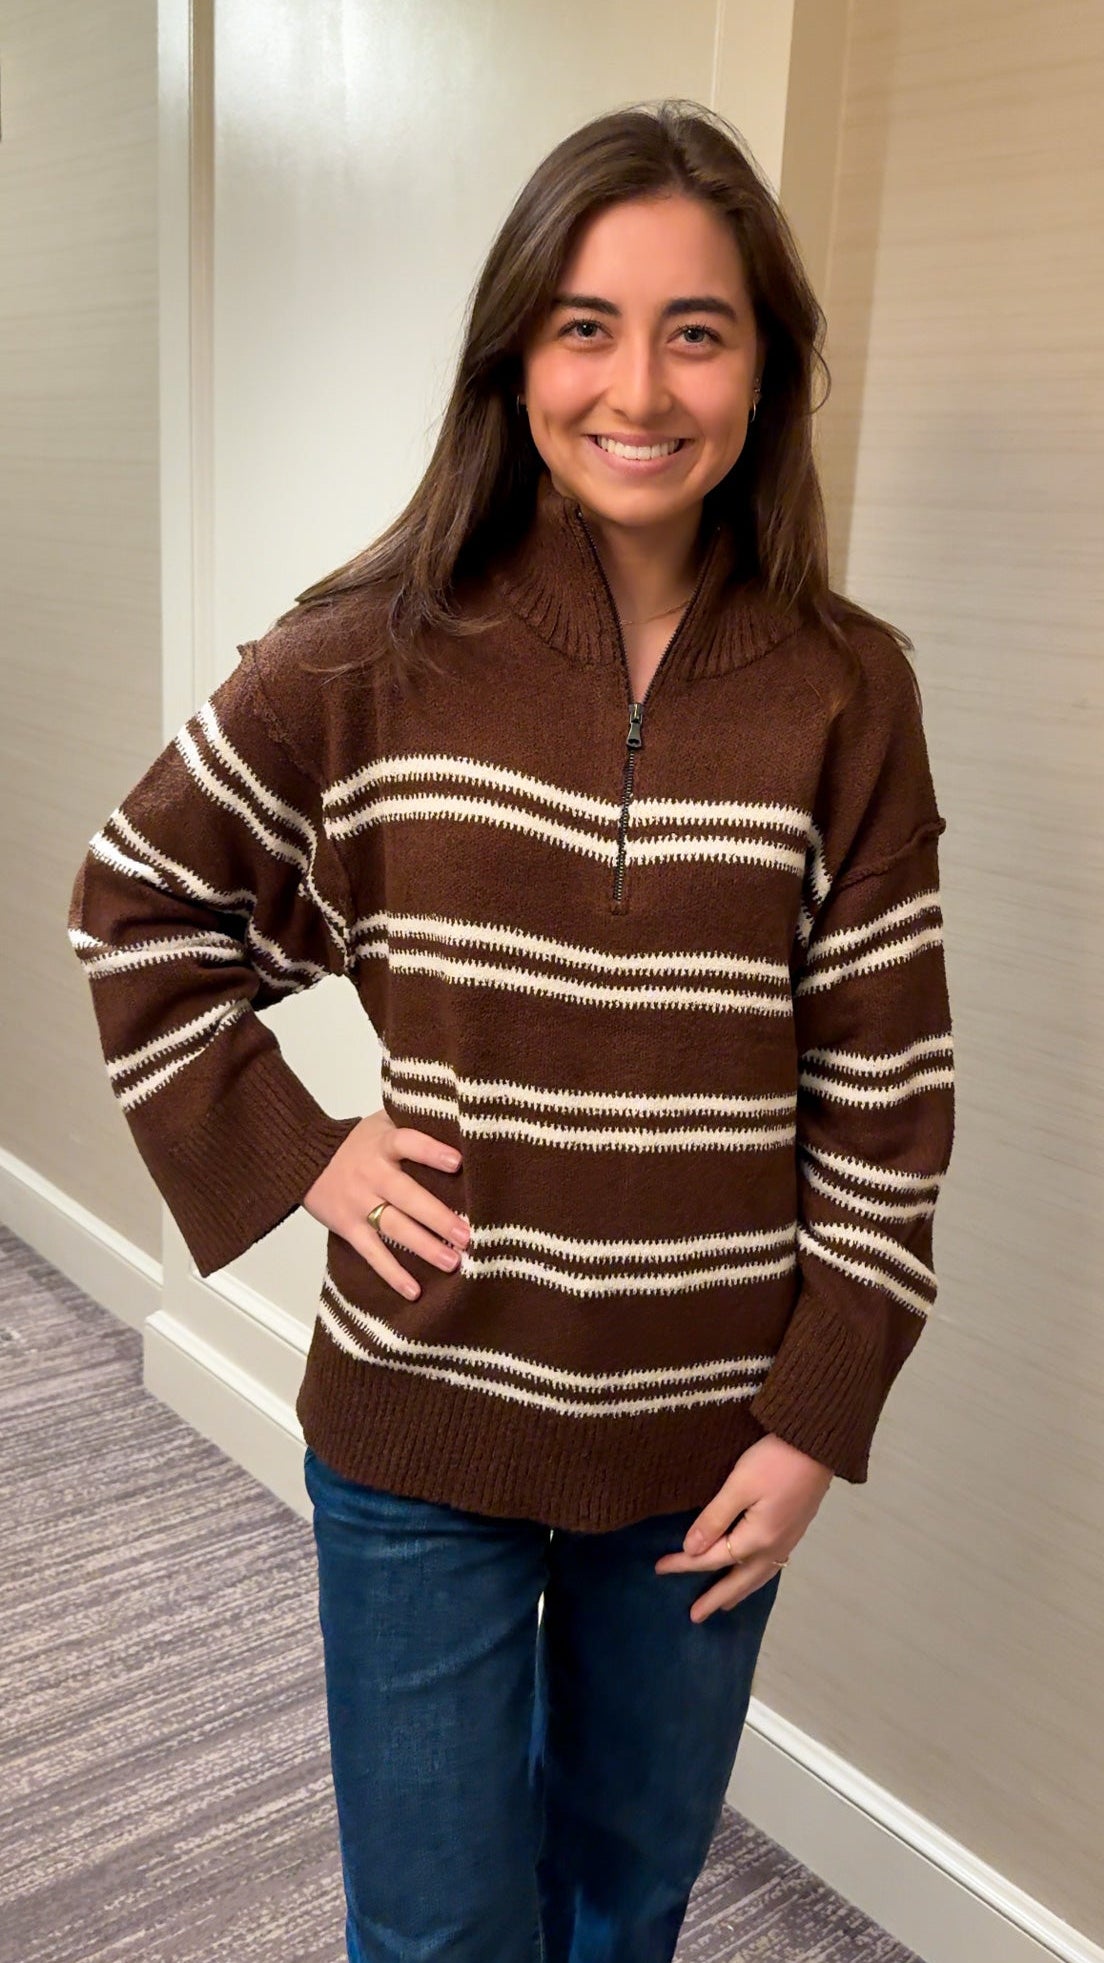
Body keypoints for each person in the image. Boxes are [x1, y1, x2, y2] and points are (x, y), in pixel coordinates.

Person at [68, 98, 955, 1963]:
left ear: (767, 367)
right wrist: (305, 1151)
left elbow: (888, 1094)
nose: (641, 386)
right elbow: (139, 898)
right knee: (442, 1934)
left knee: (625, 1907)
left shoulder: (847, 689)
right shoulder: (372, 646)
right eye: (586, 325)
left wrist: (818, 1414)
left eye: (696, 329)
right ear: (515, 359)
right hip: (421, 1424)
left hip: (713, 1447)